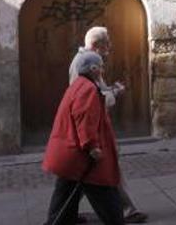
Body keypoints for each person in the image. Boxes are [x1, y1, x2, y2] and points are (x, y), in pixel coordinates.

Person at [69, 27, 147, 224]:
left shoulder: (86, 60)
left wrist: (111, 89)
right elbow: (92, 97)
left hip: (95, 125)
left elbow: (98, 90)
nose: (110, 48)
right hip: (93, 127)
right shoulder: (86, 63)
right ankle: (127, 210)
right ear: (96, 46)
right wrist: (114, 94)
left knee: (86, 173)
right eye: (106, 44)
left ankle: (66, 212)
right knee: (104, 168)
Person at [43, 50, 124, 225]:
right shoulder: (87, 89)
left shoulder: (79, 85)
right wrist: (92, 146)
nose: (103, 70)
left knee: (64, 198)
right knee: (107, 198)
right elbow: (85, 119)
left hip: (69, 156)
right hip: (81, 157)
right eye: (101, 67)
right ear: (93, 68)